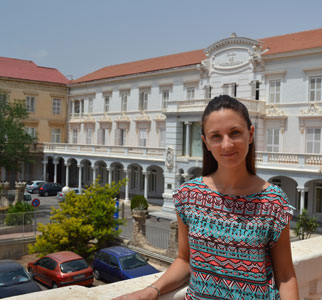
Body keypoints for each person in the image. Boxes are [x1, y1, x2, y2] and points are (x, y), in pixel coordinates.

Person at [113, 95, 299, 300]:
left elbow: (285, 276)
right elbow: (185, 260)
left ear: (251, 134)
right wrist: (151, 290)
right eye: (216, 136)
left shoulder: (273, 202)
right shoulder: (189, 196)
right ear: (206, 142)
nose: (227, 145)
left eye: (235, 133)